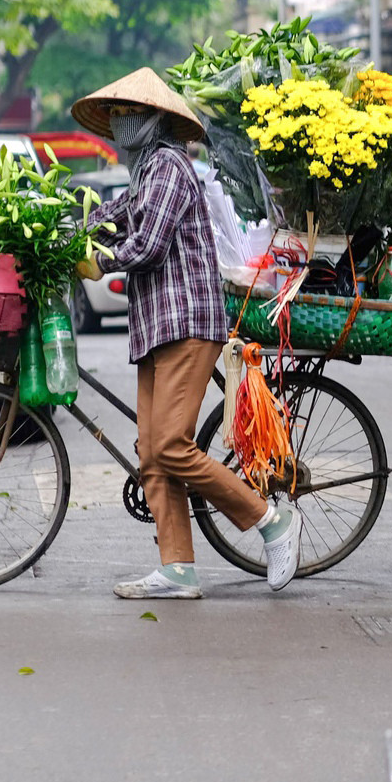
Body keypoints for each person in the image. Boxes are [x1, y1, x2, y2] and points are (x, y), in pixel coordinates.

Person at [70, 69, 304, 598]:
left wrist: (98, 260)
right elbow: (118, 215)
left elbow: (148, 244)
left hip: (187, 323)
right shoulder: (146, 171)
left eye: (132, 113)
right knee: (151, 454)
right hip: (156, 326)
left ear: (155, 119)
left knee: (173, 445)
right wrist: (72, 229)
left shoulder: (171, 167)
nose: (123, 122)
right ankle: (178, 570)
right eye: (118, 115)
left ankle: (270, 520)